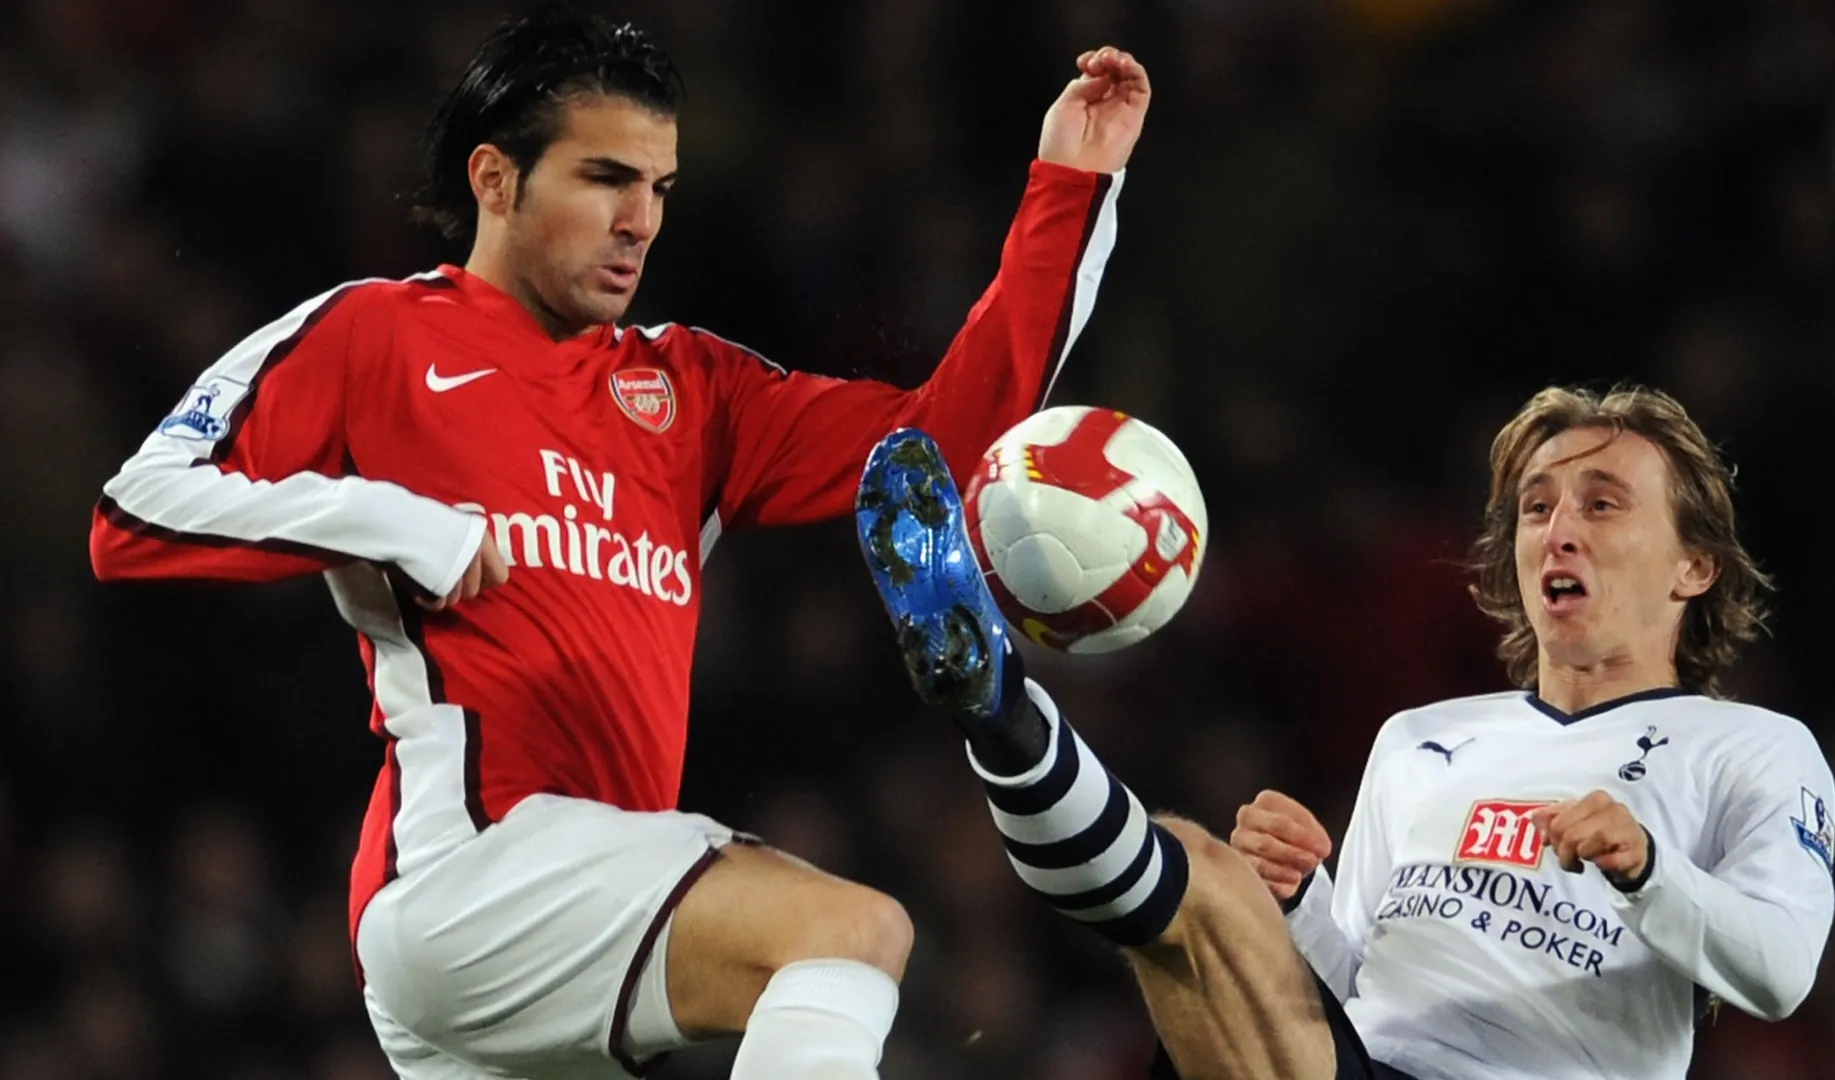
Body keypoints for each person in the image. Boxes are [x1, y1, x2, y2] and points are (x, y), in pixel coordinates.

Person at [88, 8, 1151, 1079]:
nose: (639, 220)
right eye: (605, 179)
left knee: (834, 947)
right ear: (496, 181)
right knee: (851, 934)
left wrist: (1069, 188)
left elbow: (939, 443)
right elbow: (135, 511)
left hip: (581, 918)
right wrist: (392, 521)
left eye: (659, 188)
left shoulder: (690, 390)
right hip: (470, 872)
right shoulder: (377, 334)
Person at [854, 384, 1835, 1080]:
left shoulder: (1751, 750)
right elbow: (1361, 980)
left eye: (1602, 504)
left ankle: (1006, 714)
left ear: (1694, 568)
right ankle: (1000, 711)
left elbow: (1784, 972)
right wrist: (1303, 903)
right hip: (1365, 1065)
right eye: (1536, 508)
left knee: (1184, 895)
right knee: (1199, 880)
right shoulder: (1422, 739)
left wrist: (1647, 864)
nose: (1557, 529)